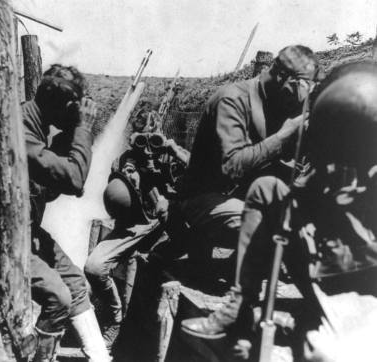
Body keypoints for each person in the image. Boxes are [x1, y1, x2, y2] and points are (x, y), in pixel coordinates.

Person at [181, 61, 377, 360]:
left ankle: (273, 316)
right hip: (346, 271)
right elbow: (311, 192)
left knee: (326, 349)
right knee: (268, 190)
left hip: (355, 305)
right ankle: (240, 309)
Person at [168, 45, 321, 267]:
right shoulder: (232, 100)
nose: (298, 101)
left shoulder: (279, 102)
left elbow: (287, 171)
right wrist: (283, 136)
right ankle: (195, 240)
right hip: (203, 197)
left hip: (244, 196)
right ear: (280, 76)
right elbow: (232, 165)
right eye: (297, 89)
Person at [20, 64, 110, 362]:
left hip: (27, 232)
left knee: (76, 284)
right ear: (60, 104)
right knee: (59, 297)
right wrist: (82, 129)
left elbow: (53, 186)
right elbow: (73, 180)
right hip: (6, 238)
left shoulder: (39, 127)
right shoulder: (21, 129)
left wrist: (73, 131)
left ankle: (100, 358)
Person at [84, 110, 190, 351]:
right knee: (94, 267)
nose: (148, 149)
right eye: (141, 140)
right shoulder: (125, 160)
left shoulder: (169, 156)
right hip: (132, 227)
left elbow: (202, 173)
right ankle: (114, 318)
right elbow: (116, 197)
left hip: (164, 229)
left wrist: (174, 150)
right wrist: (130, 173)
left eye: (153, 139)